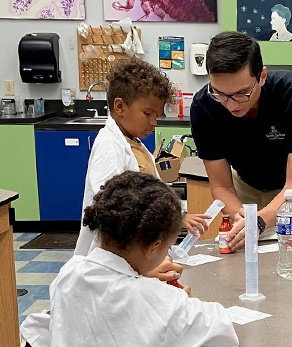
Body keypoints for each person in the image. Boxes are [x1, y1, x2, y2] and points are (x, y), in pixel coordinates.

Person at [21, 172, 239, 347]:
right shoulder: (162, 301)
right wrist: (173, 298)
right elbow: (223, 332)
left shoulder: (70, 272)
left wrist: (142, 278)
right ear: (154, 246)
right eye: (168, 246)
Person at [190, 31, 292, 250]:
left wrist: (260, 221)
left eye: (242, 93)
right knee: (245, 256)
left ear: (262, 76)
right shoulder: (204, 107)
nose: (231, 105)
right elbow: (221, 185)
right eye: (220, 94)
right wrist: (244, 220)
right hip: (246, 185)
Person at [73, 58, 208, 281]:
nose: (154, 122)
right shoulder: (109, 146)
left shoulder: (133, 141)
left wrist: (177, 217)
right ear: (120, 107)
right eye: (148, 113)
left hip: (135, 259)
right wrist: (141, 268)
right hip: (113, 265)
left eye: (157, 115)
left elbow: (146, 198)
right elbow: (111, 213)